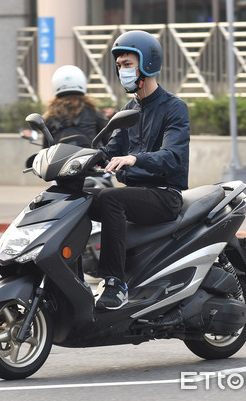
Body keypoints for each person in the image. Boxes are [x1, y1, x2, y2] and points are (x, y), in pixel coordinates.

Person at [90, 30, 190, 310]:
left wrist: (136, 159)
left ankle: (114, 283)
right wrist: (77, 157)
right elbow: (109, 150)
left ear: (147, 64)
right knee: (84, 200)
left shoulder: (174, 108)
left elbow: (173, 157)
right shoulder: (128, 110)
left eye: (128, 65)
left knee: (110, 199)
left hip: (164, 195)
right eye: (120, 66)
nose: (122, 71)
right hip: (136, 193)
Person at [43, 65, 108, 148]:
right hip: (90, 159)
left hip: (61, 160)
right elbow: (108, 142)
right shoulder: (93, 111)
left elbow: (45, 149)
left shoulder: (51, 115)